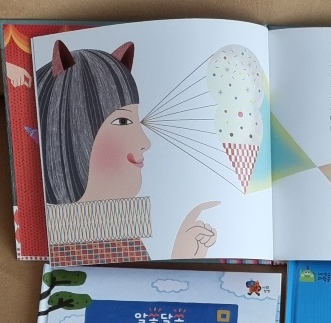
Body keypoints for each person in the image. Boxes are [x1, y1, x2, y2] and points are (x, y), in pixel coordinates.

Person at [36, 39, 219, 264]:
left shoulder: (112, 228)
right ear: (68, 131)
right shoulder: (67, 238)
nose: (145, 142)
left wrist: (181, 257)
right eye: (122, 121)